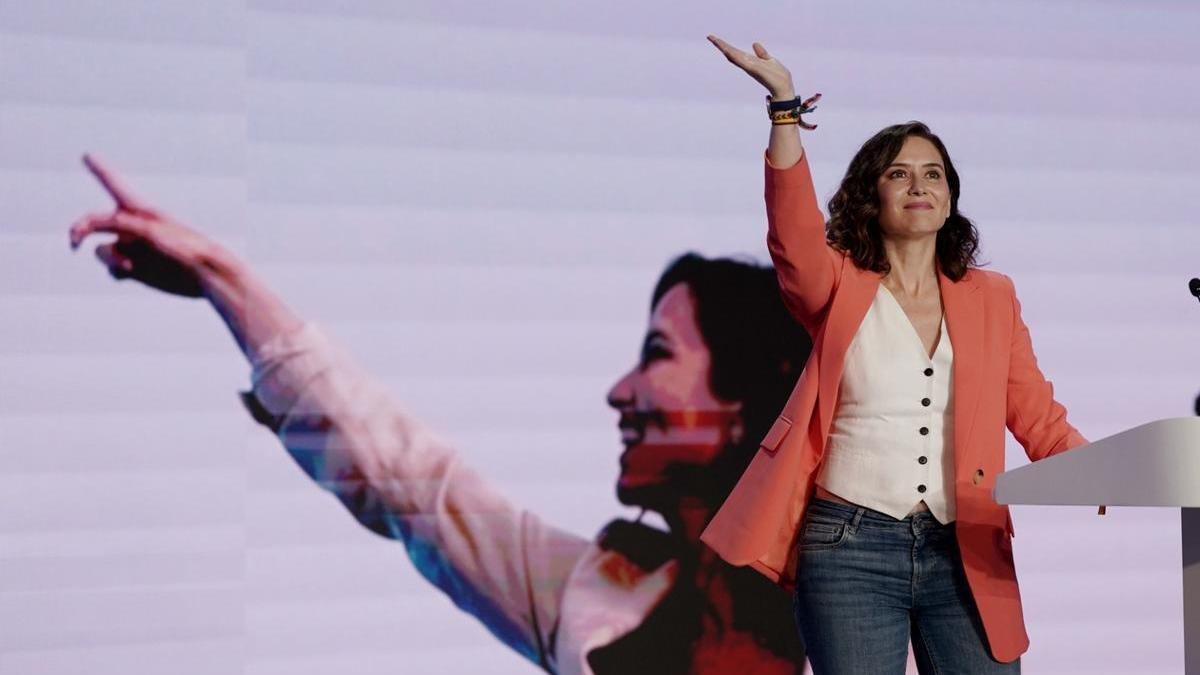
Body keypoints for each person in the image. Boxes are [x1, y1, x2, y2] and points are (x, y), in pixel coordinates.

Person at [66, 159, 811, 675]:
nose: (620, 390)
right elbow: (409, 481)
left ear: (742, 399)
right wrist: (220, 275)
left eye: (657, 353)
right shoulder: (595, 592)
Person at [699, 36, 1089, 674]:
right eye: (898, 173)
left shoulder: (991, 296)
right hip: (848, 543)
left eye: (933, 173)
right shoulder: (838, 284)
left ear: (951, 198)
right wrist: (784, 111)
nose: (919, 185)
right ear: (870, 195)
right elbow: (793, 233)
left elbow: (1034, 410)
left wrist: (1090, 470)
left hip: (966, 543)